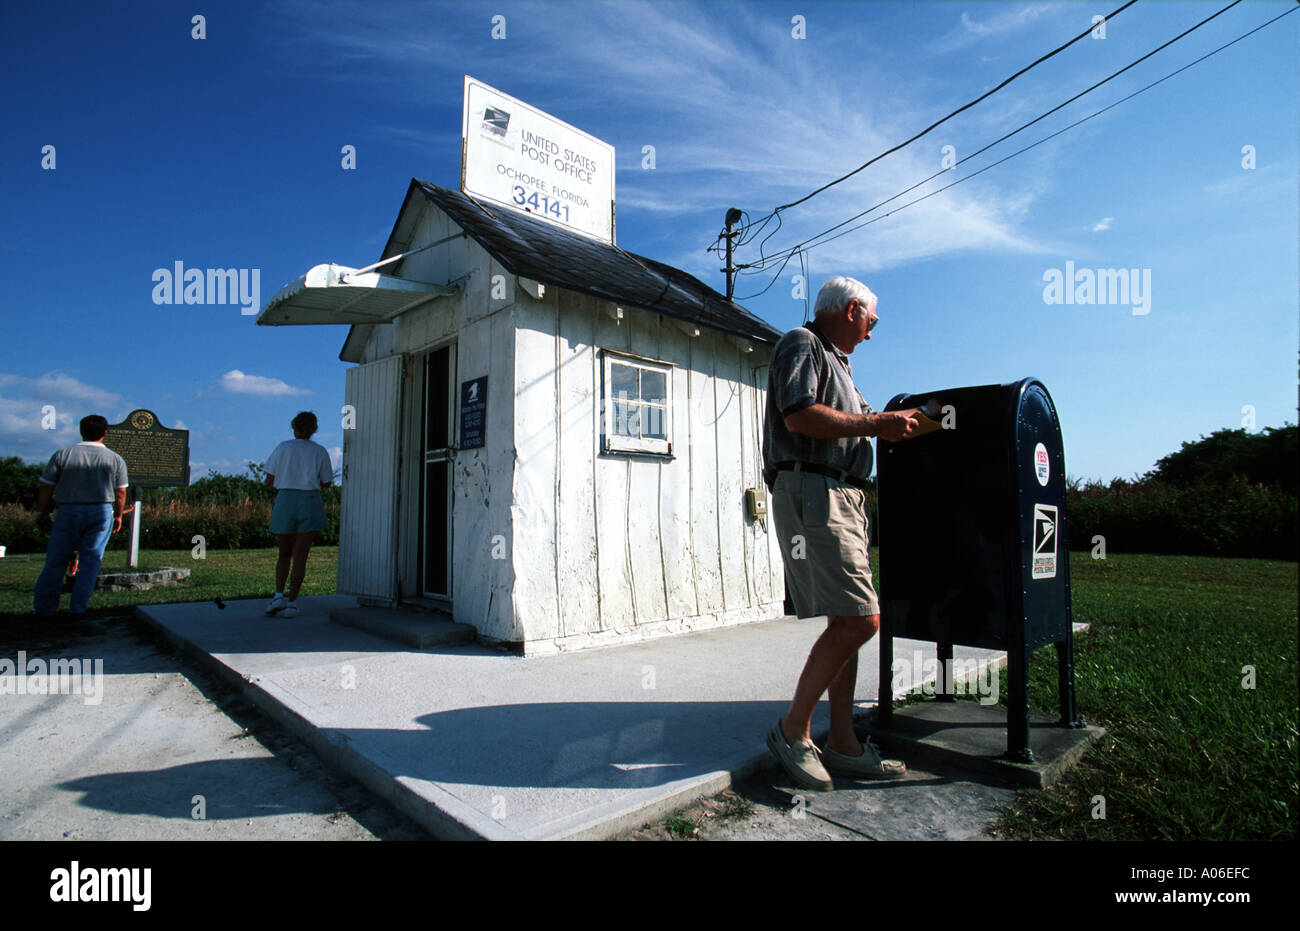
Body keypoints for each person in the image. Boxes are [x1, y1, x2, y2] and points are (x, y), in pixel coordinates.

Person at [761, 276, 920, 791]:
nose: (872, 332)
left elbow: (845, 420)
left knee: (847, 618)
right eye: (872, 321)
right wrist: (876, 425)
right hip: (815, 490)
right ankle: (793, 732)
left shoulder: (839, 364)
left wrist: (887, 424)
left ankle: (844, 743)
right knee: (862, 620)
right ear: (853, 310)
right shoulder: (802, 343)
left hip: (841, 493)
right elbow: (801, 416)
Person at [33, 414, 129, 616]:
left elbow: (47, 486)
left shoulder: (63, 454)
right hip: (100, 510)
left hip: (68, 509)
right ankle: (78, 608)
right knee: (90, 561)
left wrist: (42, 512)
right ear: (105, 432)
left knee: (56, 560)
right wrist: (118, 515)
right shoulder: (115, 459)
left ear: (81, 430)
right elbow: (120, 491)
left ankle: (44, 609)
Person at [263, 411, 334, 618]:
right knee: (301, 556)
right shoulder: (320, 451)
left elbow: (269, 478)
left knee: (283, 553)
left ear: (294, 427)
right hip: (310, 500)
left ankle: (278, 596)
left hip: (285, 499)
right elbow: (327, 482)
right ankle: (292, 602)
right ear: (314, 430)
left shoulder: (283, 447)